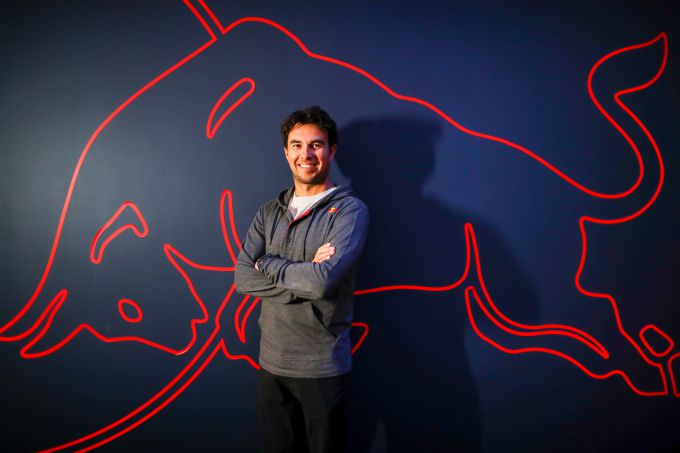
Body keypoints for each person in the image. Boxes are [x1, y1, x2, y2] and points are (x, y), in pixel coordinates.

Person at [235, 106, 369, 453]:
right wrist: (304, 272)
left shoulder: (350, 211)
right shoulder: (269, 212)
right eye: (297, 145)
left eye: (316, 145)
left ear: (331, 150)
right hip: (271, 363)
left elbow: (321, 283)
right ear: (286, 152)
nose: (305, 154)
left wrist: (267, 262)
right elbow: (243, 278)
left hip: (322, 367)